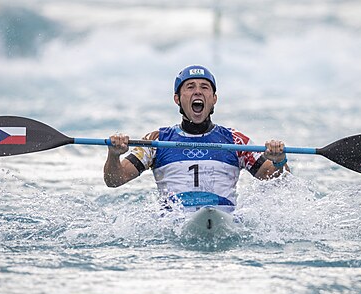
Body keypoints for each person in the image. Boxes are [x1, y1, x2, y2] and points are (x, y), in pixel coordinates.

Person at [103, 65, 289, 212]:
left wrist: (279, 160)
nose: (198, 92)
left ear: (214, 98)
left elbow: (274, 178)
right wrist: (114, 155)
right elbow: (114, 180)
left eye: (204, 87)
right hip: (173, 225)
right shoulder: (157, 140)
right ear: (177, 98)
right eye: (190, 87)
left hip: (223, 222)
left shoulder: (235, 140)